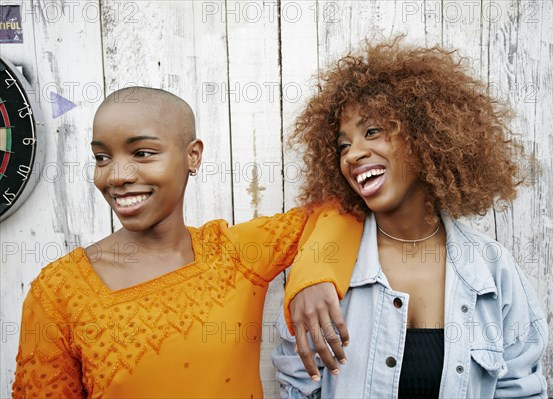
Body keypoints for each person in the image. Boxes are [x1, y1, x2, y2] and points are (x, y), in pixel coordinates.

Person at [11, 87, 363, 398]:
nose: (116, 176)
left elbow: (340, 209)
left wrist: (314, 278)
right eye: (102, 158)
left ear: (192, 155)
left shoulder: (234, 253)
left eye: (142, 153)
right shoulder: (59, 290)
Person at [274, 38, 548, 398]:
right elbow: (298, 388)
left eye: (372, 131)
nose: (353, 154)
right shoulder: (322, 273)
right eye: (343, 145)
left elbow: (521, 388)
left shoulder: (491, 269)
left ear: (425, 136)